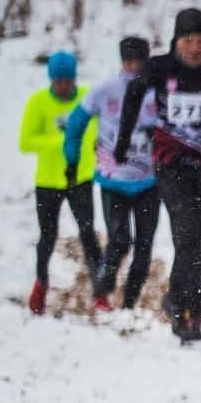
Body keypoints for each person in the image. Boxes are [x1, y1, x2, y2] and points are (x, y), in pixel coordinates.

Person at [115, 8, 201, 343]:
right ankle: (189, 314)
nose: (194, 47)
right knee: (188, 232)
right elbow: (133, 98)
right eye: (188, 40)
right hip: (171, 165)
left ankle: (179, 299)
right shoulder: (160, 67)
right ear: (176, 40)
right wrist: (123, 141)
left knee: (195, 240)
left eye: (200, 40)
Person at [64, 36, 161, 309]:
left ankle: (130, 302)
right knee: (119, 241)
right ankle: (102, 288)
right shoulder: (105, 88)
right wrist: (71, 160)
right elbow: (75, 123)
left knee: (144, 246)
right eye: (128, 62)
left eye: (138, 63)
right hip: (113, 180)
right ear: (121, 61)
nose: (133, 68)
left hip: (148, 181)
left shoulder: (157, 91)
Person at [20, 52, 101, 315]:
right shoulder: (38, 103)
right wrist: (65, 139)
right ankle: (41, 282)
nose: (64, 86)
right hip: (48, 181)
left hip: (80, 179)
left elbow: (103, 129)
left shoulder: (87, 99)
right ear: (51, 80)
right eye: (58, 81)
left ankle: (100, 291)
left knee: (88, 234)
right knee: (47, 236)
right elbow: (26, 141)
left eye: (68, 80)